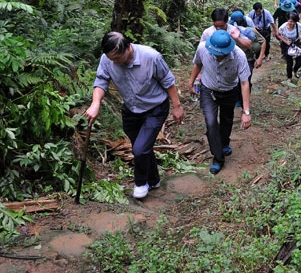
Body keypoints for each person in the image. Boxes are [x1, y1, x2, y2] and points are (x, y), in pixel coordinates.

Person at [85, 31, 183, 199]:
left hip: (155, 108)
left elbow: (168, 81)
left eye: (117, 58)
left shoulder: (151, 57)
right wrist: (96, 103)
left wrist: (177, 106)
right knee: (142, 147)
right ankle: (153, 180)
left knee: (139, 149)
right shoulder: (107, 59)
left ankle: (141, 183)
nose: (114, 62)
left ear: (128, 48)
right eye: (111, 59)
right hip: (131, 109)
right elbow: (101, 81)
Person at [188, 30, 252, 174]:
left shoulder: (239, 56)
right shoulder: (203, 49)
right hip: (208, 91)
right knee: (211, 122)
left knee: (226, 120)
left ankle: (224, 143)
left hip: (229, 92)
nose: (217, 56)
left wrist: (246, 111)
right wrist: (191, 82)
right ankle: (218, 158)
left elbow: (244, 83)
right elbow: (197, 64)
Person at [229, 11, 266, 81]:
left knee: (245, 81)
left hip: (248, 60)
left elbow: (263, 41)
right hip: (234, 61)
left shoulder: (250, 31)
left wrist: (260, 58)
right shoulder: (229, 32)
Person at [276, 11, 301, 80]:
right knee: (289, 62)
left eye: (294, 22)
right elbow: (278, 35)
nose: (292, 23)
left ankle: (295, 70)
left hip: (297, 43)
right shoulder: (283, 27)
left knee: (299, 62)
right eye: (290, 21)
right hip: (286, 45)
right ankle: (289, 77)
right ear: (287, 19)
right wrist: (285, 41)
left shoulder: (299, 26)